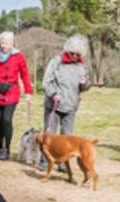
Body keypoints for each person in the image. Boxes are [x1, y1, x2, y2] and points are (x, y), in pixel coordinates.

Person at [39, 34, 91, 171]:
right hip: (54, 105)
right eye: (72, 53)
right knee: (49, 137)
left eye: (77, 54)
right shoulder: (56, 62)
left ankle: (63, 164)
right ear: (67, 50)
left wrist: (85, 84)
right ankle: (45, 163)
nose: (74, 56)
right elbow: (46, 81)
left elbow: (85, 87)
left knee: (66, 139)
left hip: (71, 107)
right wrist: (53, 93)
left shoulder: (82, 66)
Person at [0, 31, 32, 161]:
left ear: (11, 43)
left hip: (12, 92)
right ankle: (1, 148)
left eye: (6, 43)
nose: (4, 46)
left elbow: (25, 75)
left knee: (7, 120)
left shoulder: (19, 56)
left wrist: (28, 92)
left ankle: (7, 148)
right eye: (2, 43)